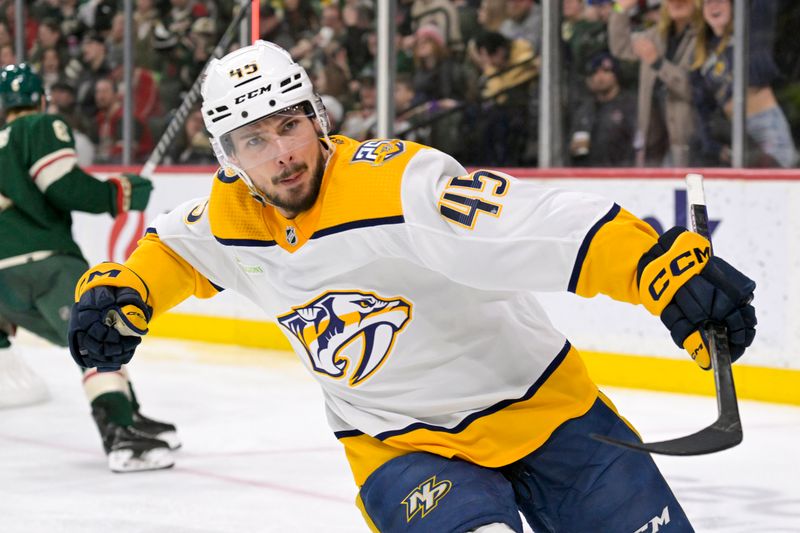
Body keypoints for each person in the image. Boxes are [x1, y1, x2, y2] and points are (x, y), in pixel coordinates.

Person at [68, 41, 757, 531]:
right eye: (254, 140)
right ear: (226, 159)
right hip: (402, 446)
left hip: (550, 414)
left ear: (317, 117)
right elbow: (172, 249)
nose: (281, 153)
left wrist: (652, 269)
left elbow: (532, 224)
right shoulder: (226, 217)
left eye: (289, 125)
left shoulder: (398, 184)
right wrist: (124, 290)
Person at [0, 64, 179, 473]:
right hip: (44, 262)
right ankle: (119, 435)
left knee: (97, 335)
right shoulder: (40, 127)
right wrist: (121, 192)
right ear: (40, 99)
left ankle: (130, 415)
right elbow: (62, 184)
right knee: (99, 337)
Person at [690, 0, 798, 168]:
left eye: (720, 1)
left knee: (778, 181)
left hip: (765, 123)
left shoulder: (749, 31)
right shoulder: (702, 55)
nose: (714, 6)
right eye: (708, 2)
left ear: (734, 5)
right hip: (734, 133)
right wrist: (714, 146)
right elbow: (702, 109)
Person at [609, 0, 700, 166]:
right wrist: (620, 8)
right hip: (653, 141)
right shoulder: (655, 36)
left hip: (686, 141)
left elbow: (694, 90)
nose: (676, 3)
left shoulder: (701, 39)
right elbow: (620, 47)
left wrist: (658, 63)